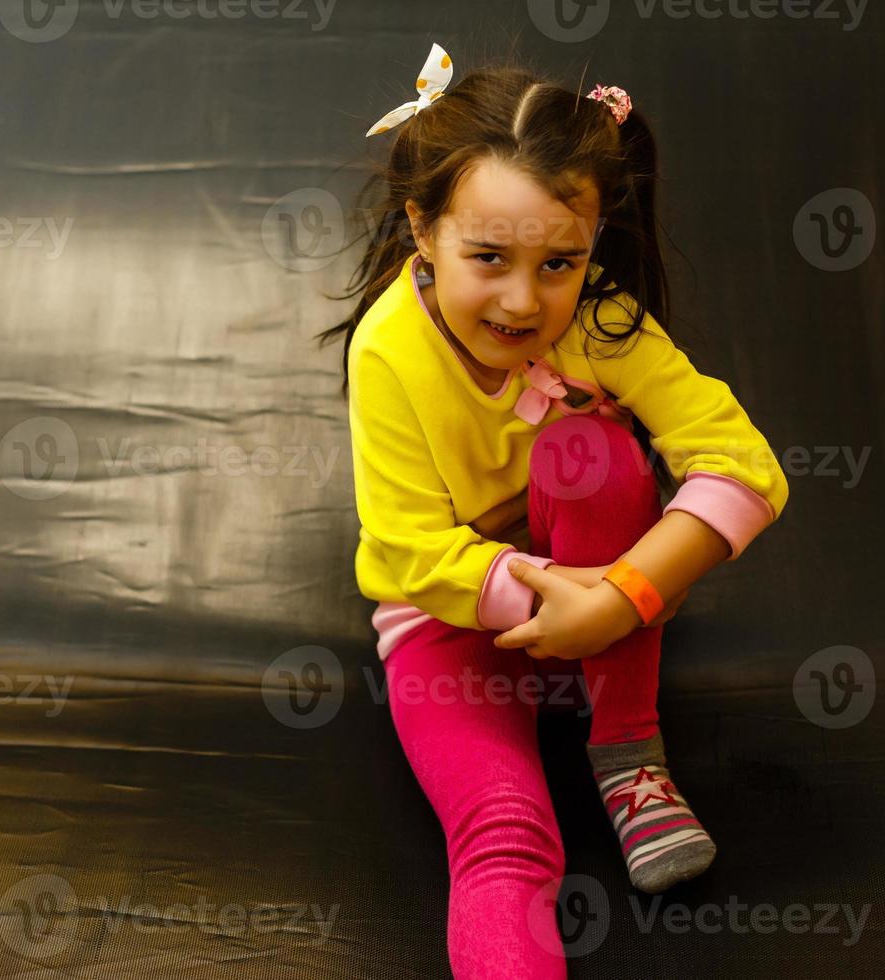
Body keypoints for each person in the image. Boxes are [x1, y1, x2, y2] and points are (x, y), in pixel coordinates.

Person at [315, 43, 790, 979]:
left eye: (558, 262)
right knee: (505, 832)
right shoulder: (387, 353)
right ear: (423, 228)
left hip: (601, 587)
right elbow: (407, 550)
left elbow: (743, 462)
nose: (524, 300)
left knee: (595, 452)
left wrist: (622, 597)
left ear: (590, 243)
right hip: (455, 616)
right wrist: (537, 597)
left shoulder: (599, 320)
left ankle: (625, 748)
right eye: (486, 258)